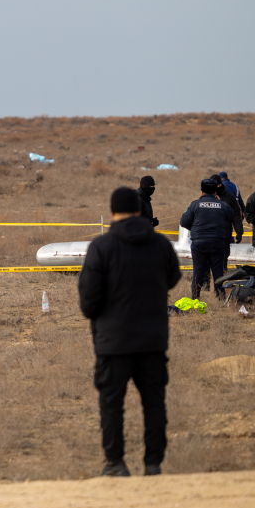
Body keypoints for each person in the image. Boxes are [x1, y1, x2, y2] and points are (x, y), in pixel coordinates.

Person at [79, 187, 181, 477]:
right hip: (152, 339)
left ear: (112, 212)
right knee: (154, 403)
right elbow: (173, 278)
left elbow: (88, 302)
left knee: (111, 405)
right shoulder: (160, 244)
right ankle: (153, 464)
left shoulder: (101, 247)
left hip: (113, 343)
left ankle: (115, 463)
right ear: (138, 210)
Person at [181, 178, 236, 300]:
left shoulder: (195, 204)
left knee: (198, 272)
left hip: (199, 243)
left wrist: (196, 229)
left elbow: (184, 222)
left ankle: (195, 298)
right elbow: (231, 215)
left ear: (202, 191)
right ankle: (220, 298)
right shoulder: (222, 205)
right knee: (218, 272)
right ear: (215, 192)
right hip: (217, 242)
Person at [210, 174, 244, 269]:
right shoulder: (206, 198)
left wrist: (239, 232)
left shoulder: (229, 197)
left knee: (224, 259)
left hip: (225, 235)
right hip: (210, 235)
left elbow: (236, 215)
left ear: (220, 185)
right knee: (210, 260)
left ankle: (222, 276)